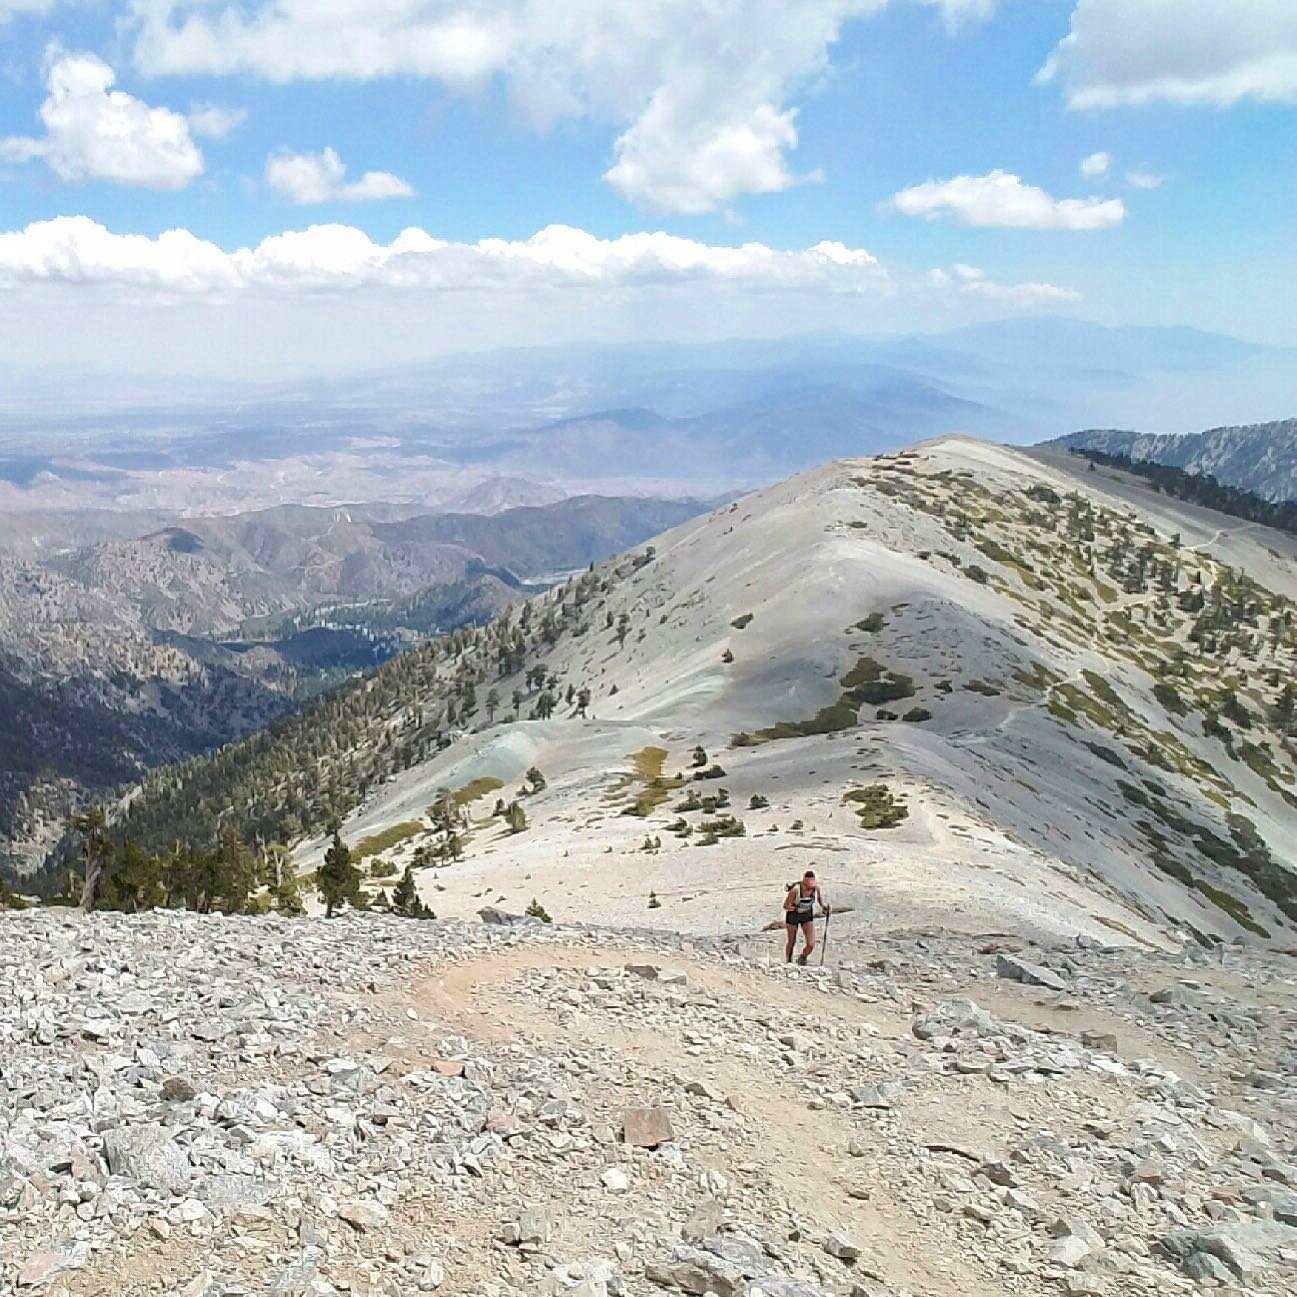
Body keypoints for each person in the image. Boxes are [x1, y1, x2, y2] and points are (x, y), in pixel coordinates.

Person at [784, 869, 829, 966]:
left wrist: (824, 907)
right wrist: (796, 909)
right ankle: (788, 961)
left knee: (811, 943)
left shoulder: (816, 889)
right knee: (791, 941)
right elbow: (786, 906)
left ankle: (803, 957)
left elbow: (820, 901)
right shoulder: (795, 890)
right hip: (793, 915)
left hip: (807, 915)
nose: (809, 889)